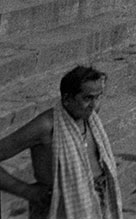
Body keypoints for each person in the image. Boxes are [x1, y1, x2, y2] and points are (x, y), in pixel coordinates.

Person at [0, 65, 122, 219]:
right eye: (87, 98)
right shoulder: (46, 126)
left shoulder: (89, 119)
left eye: (98, 97)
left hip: (96, 203)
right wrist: (25, 190)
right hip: (57, 207)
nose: (94, 105)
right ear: (67, 99)